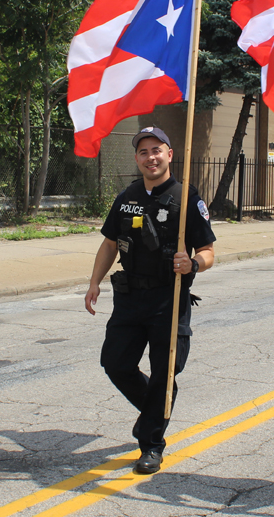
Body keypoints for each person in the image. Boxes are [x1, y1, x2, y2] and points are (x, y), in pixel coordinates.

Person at [85, 126, 215, 474]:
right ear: (137, 159)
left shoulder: (187, 198)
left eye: (156, 150)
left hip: (168, 299)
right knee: (115, 363)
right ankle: (154, 413)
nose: (150, 157)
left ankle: (152, 444)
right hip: (130, 298)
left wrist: (194, 263)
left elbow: (209, 252)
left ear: (169, 154)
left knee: (164, 373)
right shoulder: (127, 196)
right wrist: (94, 282)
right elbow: (110, 243)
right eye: (143, 152)